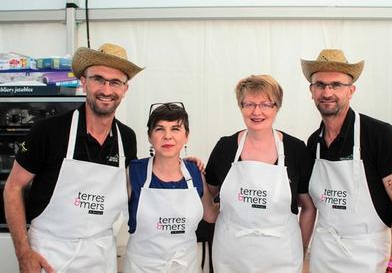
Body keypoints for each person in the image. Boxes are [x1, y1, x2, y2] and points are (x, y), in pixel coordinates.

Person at [4, 43, 143, 273]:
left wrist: (183, 165)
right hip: (48, 254)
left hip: (100, 256)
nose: (106, 90)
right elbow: (12, 188)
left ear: (125, 89)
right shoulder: (48, 131)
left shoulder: (126, 138)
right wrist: (23, 253)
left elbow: (133, 188)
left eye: (115, 82)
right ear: (83, 82)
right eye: (98, 79)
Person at [300, 49, 392, 273]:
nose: (327, 92)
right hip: (324, 253)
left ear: (351, 90)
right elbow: (310, 206)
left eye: (336, 85)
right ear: (311, 91)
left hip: (370, 255)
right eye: (320, 85)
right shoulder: (314, 143)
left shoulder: (380, 134)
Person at [205, 74, 317, 273]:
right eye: (249, 104)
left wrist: (301, 248)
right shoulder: (225, 147)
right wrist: (192, 172)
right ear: (240, 106)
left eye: (266, 104)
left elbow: (308, 206)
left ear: (277, 107)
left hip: (282, 256)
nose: (257, 111)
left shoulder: (295, 149)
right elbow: (208, 195)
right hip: (231, 255)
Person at [124, 102, 218, 273]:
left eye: (175, 129)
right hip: (142, 267)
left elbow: (211, 215)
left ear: (186, 136)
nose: (168, 136)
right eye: (160, 129)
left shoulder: (195, 173)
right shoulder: (134, 172)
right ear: (149, 136)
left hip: (185, 266)